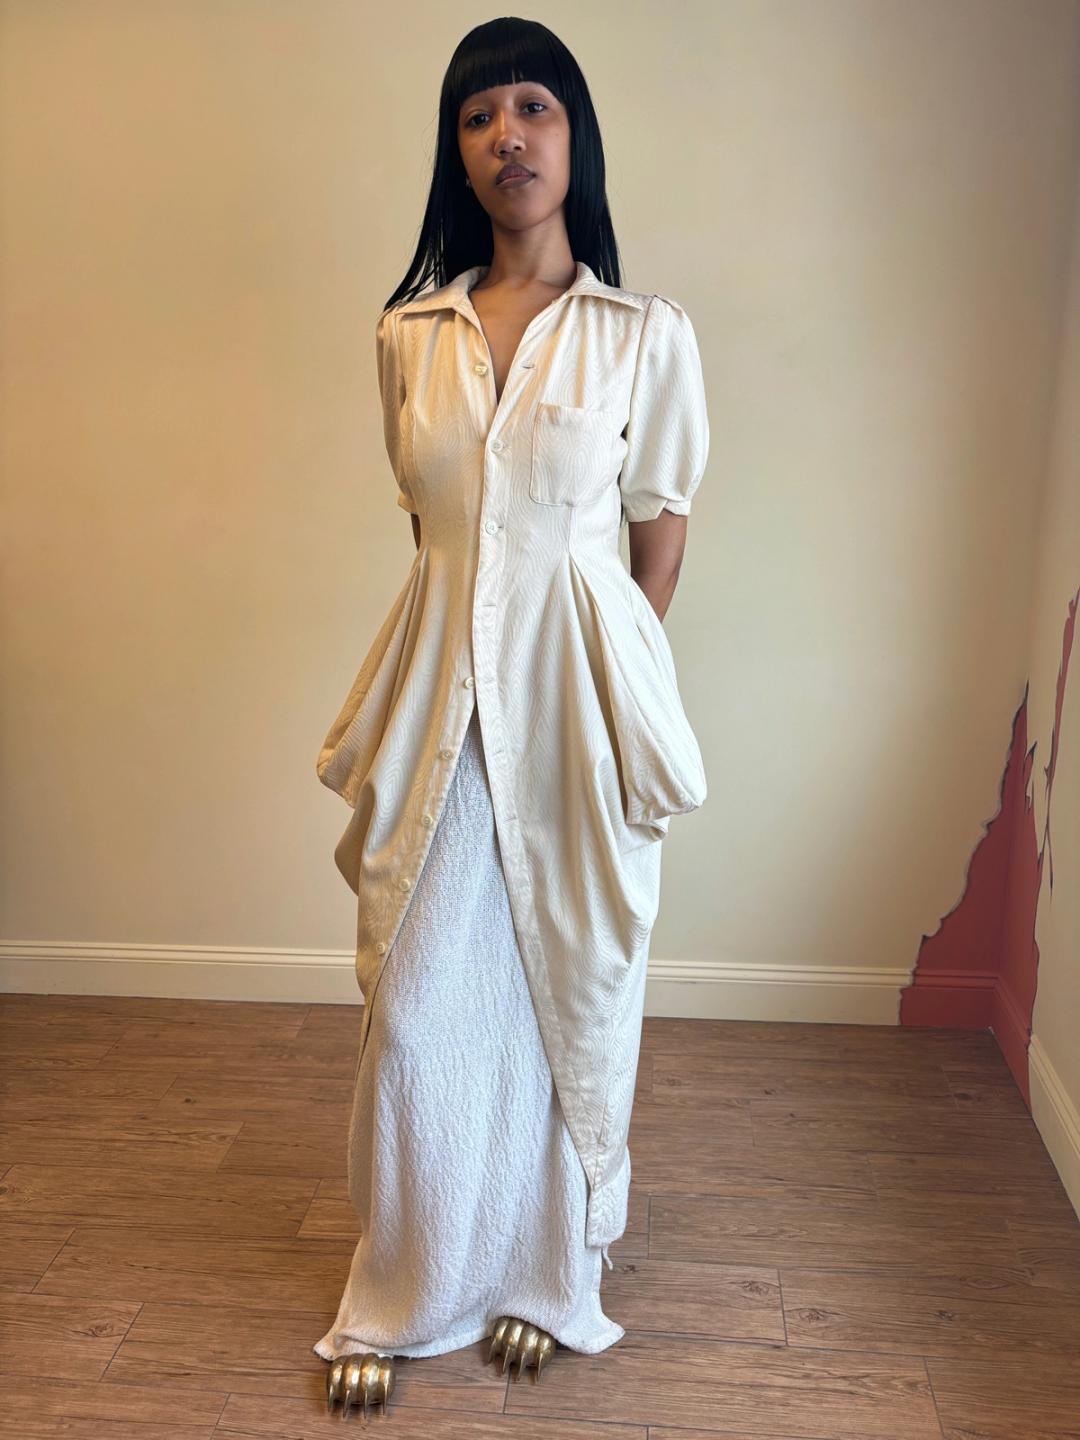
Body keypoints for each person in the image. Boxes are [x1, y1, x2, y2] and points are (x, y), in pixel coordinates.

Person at [314, 15, 710, 1418]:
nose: (507, 137)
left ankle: (548, 1274)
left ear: (573, 136)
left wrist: (606, 686)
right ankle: (410, 1280)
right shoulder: (407, 337)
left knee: (564, 990)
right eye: (479, 116)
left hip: (575, 710)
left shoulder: (641, 338)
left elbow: (658, 534)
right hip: (440, 703)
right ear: (458, 151)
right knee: (423, 1005)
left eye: (533, 107)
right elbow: (438, 531)